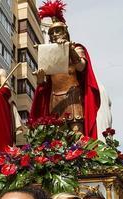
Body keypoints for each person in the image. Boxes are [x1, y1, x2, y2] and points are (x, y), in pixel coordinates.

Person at [30, 0, 100, 139]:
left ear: (65, 32)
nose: (55, 34)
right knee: (58, 138)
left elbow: (81, 67)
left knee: (77, 134)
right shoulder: (47, 54)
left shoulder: (76, 48)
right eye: (52, 32)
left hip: (72, 95)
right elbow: (44, 85)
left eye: (58, 31)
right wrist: (39, 78)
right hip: (54, 99)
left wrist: (69, 49)